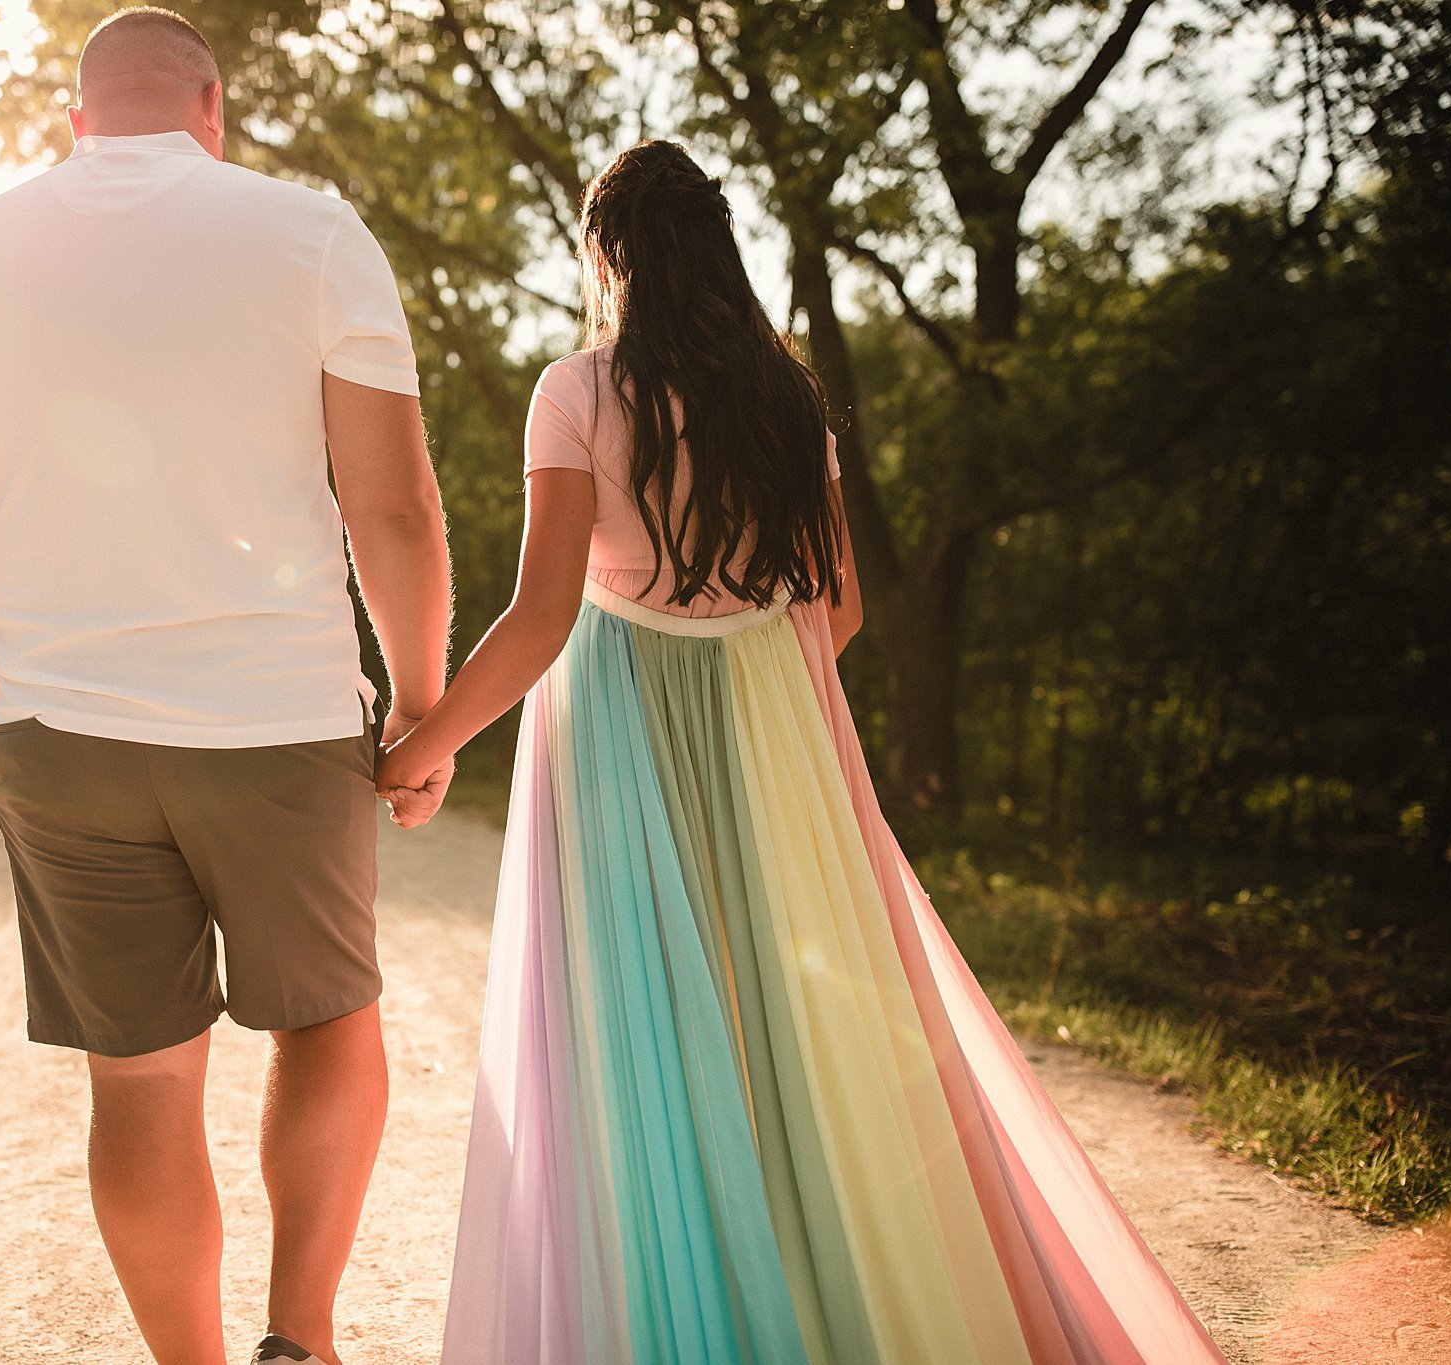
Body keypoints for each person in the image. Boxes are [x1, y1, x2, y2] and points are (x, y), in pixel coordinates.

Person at [377, 140, 1230, 1364]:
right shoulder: (785, 401)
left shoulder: (577, 389)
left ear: (607, 256)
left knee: (649, 1028)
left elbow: (545, 614)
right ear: (718, 252)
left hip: (621, 733)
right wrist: (754, 668)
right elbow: (838, 606)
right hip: (777, 722)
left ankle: (694, 1300)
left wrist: (420, 744)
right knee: (789, 1020)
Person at [0, 10, 451, 1365]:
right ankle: (298, 1343)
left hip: (61, 731)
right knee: (326, 1025)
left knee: (137, 1085)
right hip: (282, 720)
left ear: (76, 124)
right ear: (214, 112)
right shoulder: (312, 233)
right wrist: (421, 702)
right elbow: (396, 506)